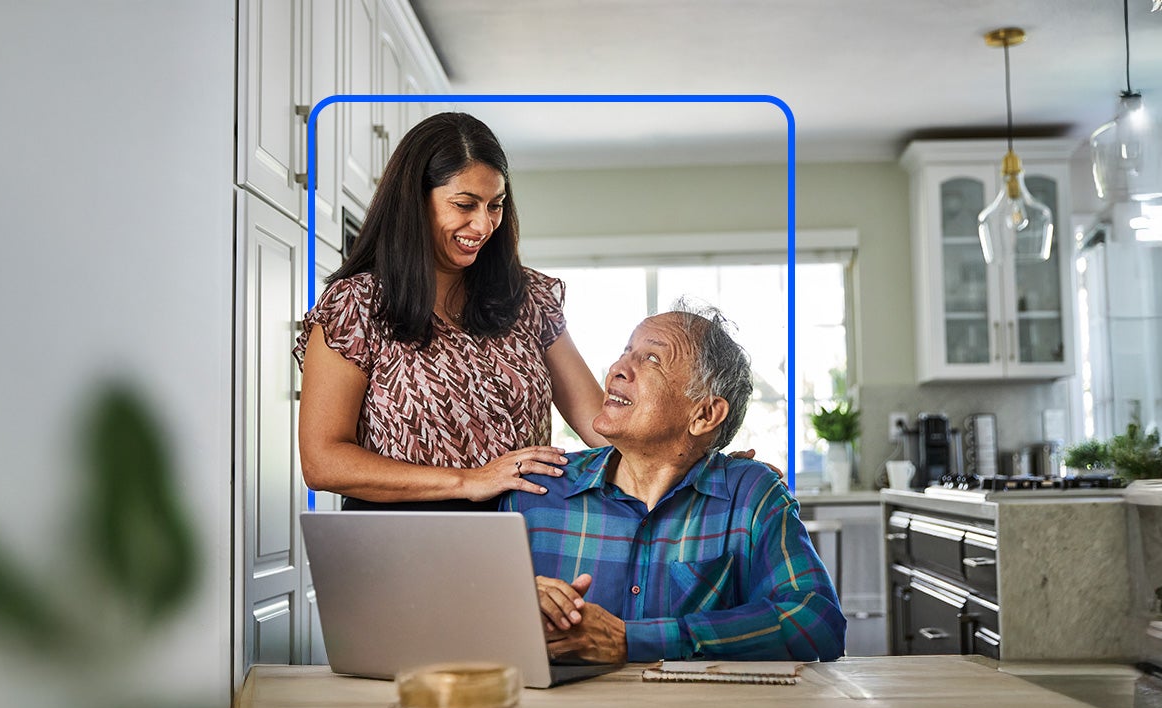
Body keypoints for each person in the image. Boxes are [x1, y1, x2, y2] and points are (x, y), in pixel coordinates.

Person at [292, 112, 606, 511]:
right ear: (415, 201)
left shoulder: (526, 298)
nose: (483, 225)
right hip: (402, 543)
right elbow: (322, 463)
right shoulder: (356, 307)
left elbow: (599, 425)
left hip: (523, 532)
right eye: (464, 204)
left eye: (496, 206)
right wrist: (468, 481)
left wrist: (679, 441)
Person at [500, 304, 846, 663]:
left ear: (705, 414)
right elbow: (459, 613)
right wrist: (513, 599)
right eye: (625, 352)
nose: (618, 369)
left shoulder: (750, 496)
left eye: (651, 359)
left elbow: (817, 623)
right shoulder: (536, 490)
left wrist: (632, 640)